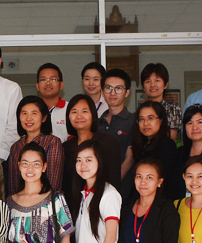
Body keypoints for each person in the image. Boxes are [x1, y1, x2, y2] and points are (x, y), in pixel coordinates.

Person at [60, 94, 122, 213]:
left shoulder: (109, 143)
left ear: (93, 114)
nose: (79, 116)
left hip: (100, 209)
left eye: (84, 111)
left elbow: (114, 180)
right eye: (74, 112)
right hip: (71, 210)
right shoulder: (65, 147)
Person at [7, 95, 63, 193]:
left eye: (34, 113)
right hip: (20, 200)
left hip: (46, 200)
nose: (28, 118)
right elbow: (13, 183)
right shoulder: (15, 147)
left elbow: (53, 182)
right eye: (24, 113)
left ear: (44, 118)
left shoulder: (52, 142)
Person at [97, 68, 136, 197]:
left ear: (127, 92)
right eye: (108, 88)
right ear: (102, 92)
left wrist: (110, 187)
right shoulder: (97, 123)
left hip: (123, 190)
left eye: (119, 88)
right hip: (98, 188)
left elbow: (130, 159)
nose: (113, 93)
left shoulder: (133, 121)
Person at [130, 101, 179, 200]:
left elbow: (164, 180)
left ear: (161, 120)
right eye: (141, 119)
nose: (145, 123)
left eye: (151, 118)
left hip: (160, 201)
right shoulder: (143, 145)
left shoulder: (167, 145)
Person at [140, 63, 181, 141]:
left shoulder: (173, 110)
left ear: (165, 85)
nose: (152, 85)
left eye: (157, 80)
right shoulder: (140, 111)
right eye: (148, 81)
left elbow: (170, 140)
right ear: (143, 87)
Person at [36, 63, 69, 141]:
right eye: (43, 80)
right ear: (37, 86)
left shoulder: (71, 109)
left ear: (61, 85)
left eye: (53, 79)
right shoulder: (32, 110)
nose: (48, 83)